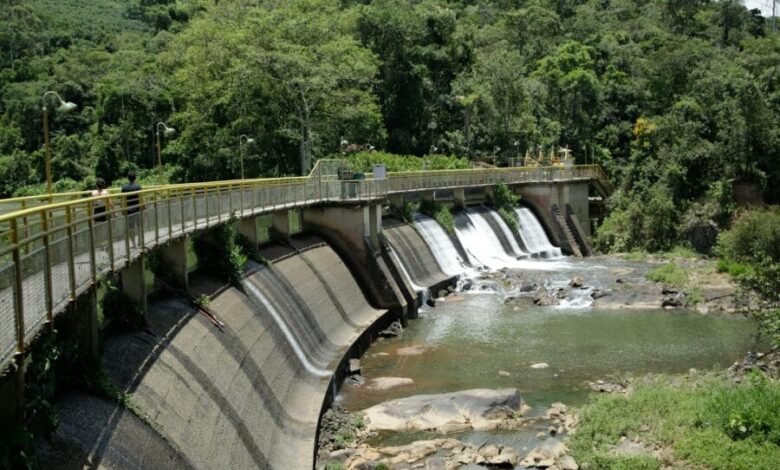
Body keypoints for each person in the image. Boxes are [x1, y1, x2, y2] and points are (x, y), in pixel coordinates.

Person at [122, 171, 142, 248]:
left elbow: (123, 200)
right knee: (139, 226)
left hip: (129, 210)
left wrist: (123, 210)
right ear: (135, 178)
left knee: (131, 228)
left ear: (128, 178)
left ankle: (133, 244)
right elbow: (141, 198)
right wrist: (143, 207)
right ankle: (139, 241)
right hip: (137, 209)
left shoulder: (124, 188)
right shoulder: (138, 187)